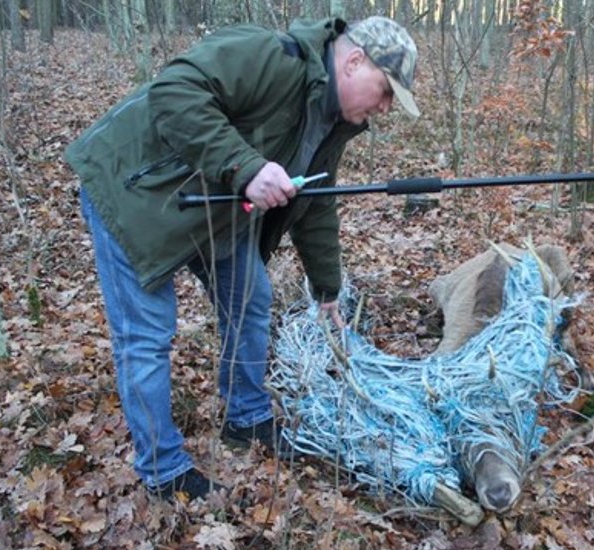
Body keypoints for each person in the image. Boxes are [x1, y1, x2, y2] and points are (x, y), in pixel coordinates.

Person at [65, 16, 419, 501]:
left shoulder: (331, 122)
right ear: (354, 62)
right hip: (134, 193)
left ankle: (247, 419)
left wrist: (326, 287)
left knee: (251, 298)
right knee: (147, 337)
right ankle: (163, 469)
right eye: (384, 92)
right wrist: (246, 167)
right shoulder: (271, 57)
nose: (383, 108)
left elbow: (316, 201)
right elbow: (175, 92)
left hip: (214, 206)